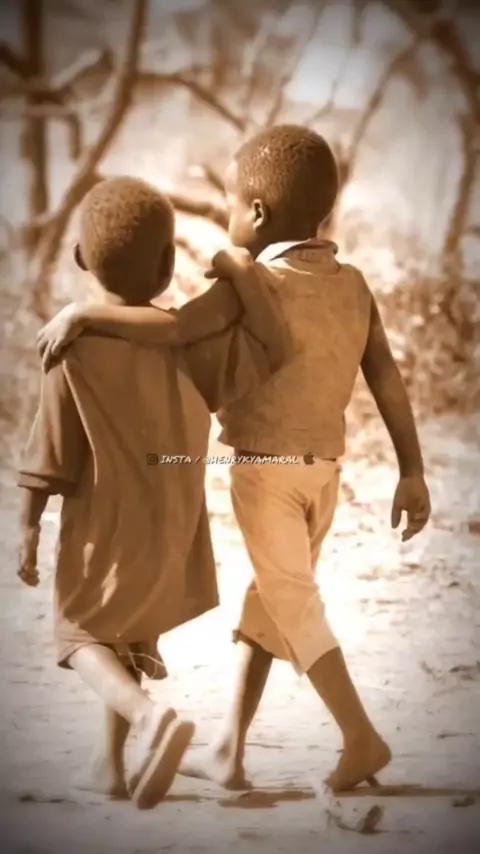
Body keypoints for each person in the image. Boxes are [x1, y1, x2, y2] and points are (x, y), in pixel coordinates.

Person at [35, 126, 431, 794]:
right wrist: (411, 469)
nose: (226, 217)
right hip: (324, 474)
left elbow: (173, 328)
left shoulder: (254, 286)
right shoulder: (353, 285)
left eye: (229, 204)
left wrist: (85, 316)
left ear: (257, 213)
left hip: (268, 473)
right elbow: (386, 376)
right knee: (271, 603)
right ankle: (229, 750)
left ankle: (360, 736)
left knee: (291, 603)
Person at [18, 176, 289, 808]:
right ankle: (107, 766)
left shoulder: (71, 349)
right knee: (125, 630)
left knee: (80, 634)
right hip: (174, 527)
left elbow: (49, 458)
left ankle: (149, 718)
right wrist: (242, 274)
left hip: (105, 525)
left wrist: (28, 527)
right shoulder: (189, 344)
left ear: (81, 259)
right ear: (169, 263)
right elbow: (270, 346)